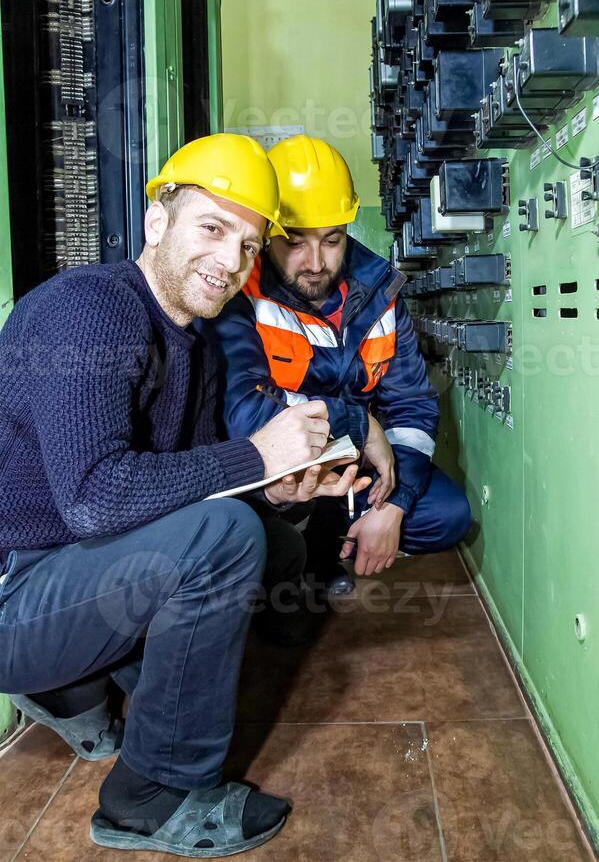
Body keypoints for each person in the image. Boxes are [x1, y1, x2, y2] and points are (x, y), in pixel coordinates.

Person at [0, 133, 369, 857]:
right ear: (156, 222)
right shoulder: (92, 310)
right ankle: (150, 798)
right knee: (224, 539)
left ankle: (69, 688)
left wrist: (284, 488)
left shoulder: (192, 343)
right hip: (17, 588)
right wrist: (255, 454)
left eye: (248, 243)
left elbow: (193, 481)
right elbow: (96, 501)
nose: (229, 261)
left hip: (72, 569)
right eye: (212, 227)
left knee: (271, 536)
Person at [203, 135, 472, 596]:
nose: (315, 263)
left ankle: (339, 535)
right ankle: (311, 545)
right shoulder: (238, 293)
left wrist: (394, 506)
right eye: (294, 242)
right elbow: (244, 412)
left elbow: (411, 408)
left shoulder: (379, 291)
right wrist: (357, 423)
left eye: (332, 240)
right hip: (276, 473)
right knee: (244, 528)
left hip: (357, 469)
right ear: (267, 233)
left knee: (448, 516)